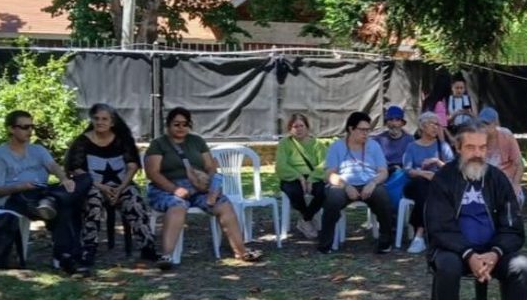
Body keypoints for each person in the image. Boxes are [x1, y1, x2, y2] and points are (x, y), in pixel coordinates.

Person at [425, 123, 527, 300]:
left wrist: (494, 253)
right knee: (448, 266)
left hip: (491, 252)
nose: (477, 153)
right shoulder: (443, 179)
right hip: (454, 251)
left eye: (483, 147)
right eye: (471, 147)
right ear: (458, 148)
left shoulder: (498, 179)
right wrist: (469, 254)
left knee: (522, 265)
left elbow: (514, 228)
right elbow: (439, 228)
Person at [145, 108, 259, 270]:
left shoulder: (197, 141)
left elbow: (210, 166)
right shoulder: (158, 144)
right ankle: (166, 255)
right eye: (176, 124)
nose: (181, 128)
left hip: (198, 187)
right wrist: (174, 189)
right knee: (177, 206)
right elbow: (152, 172)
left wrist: (209, 182)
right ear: (168, 125)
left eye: (185, 124)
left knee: (224, 204)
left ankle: (240, 251)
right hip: (166, 188)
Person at [0, 109, 92, 274]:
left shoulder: (38, 150)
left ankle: (54, 199)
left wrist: (64, 179)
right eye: (25, 127)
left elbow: (53, 167)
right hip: (15, 197)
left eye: (31, 127)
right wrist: (21, 186)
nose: (30, 131)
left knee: (85, 178)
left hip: (43, 192)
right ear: (11, 129)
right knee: (67, 207)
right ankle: (65, 257)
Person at [64, 103, 158, 266]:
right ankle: (89, 249)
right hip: (94, 185)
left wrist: (121, 187)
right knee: (92, 201)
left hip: (121, 185)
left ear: (112, 122)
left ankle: (147, 247)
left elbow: (132, 165)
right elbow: (76, 169)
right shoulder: (82, 142)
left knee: (134, 200)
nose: (100, 122)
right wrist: (101, 186)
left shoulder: (123, 140)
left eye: (104, 119)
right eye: (96, 118)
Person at [318, 111, 394, 254]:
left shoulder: (374, 146)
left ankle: (385, 242)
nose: (366, 133)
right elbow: (329, 174)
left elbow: (384, 172)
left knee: (383, 198)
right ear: (351, 129)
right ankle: (325, 243)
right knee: (333, 200)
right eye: (362, 130)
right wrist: (346, 186)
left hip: (369, 182)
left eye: (368, 130)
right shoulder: (337, 147)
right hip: (344, 183)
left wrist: (373, 183)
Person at [402, 111, 455, 254]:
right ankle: (429, 232)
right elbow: (407, 170)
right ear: (423, 126)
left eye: (438, 124)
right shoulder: (412, 146)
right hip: (415, 184)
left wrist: (437, 161)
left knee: (428, 191)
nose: (437, 127)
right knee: (421, 184)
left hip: (437, 186)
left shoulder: (442, 146)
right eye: (434, 124)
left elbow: (452, 169)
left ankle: (419, 235)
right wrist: (424, 173)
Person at [275, 112, 329, 240]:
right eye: (295, 126)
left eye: (301, 126)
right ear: (290, 129)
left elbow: (325, 163)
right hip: (292, 176)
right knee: (294, 192)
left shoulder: (317, 144)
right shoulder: (284, 143)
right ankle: (309, 219)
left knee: (323, 192)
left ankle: (305, 219)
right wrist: (299, 177)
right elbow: (281, 165)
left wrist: (311, 178)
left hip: (314, 175)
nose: (298, 129)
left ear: (307, 127)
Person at [480, 107, 525, 206]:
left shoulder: (506, 135)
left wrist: (515, 184)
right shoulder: (477, 138)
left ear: (495, 123)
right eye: (481, 124)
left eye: (487, 124)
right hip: (484, 182)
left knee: (515, 199)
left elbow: (519, 164)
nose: (483, 127)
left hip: (506, 180)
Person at [372, 105, 414, 170]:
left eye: (397, 120)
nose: (394, 123)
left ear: (402, 123)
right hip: (384, 171)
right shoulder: (378, 139)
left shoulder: (410, 140)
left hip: (404, 172)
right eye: (391, 120)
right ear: (386, 123)